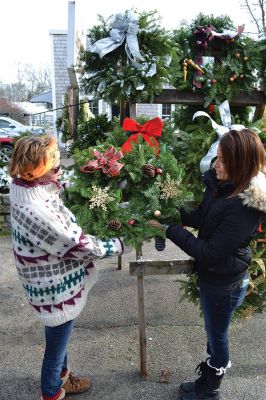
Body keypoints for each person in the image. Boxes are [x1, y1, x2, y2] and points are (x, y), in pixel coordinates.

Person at [8, 135, 129, 400]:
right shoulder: (35, 209)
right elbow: (78, 244)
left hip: (48, 280)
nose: (60, 171)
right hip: (52, 286)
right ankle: (51, 391)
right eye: (55, 166)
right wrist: (120, 243)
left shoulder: (27, 188)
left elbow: (60, 194)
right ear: (36, 170)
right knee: (57, 338)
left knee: (59, 331)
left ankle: (63, 376)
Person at [149, 129, 266, 400]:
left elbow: (210, 252)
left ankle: (210, 389)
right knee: (213, 332)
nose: (216, 164)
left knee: (217, 336)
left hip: (225, 282)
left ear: (241, 164)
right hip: (214, 277)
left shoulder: (244, 208)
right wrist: (173, 212)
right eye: (217, 157)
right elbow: (202, 218)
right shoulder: (221, 187)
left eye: (223, 160)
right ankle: (207, 379)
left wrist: (170, 229)